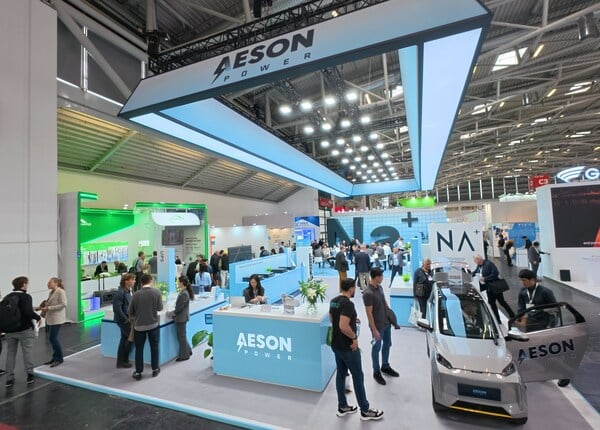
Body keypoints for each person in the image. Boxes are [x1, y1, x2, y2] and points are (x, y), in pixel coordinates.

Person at [330, 278, 384, 421]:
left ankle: (342, 406)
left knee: (341, 374)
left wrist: (353, 320)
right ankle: (365, 410)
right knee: (358, 376)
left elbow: (333, 320)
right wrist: (354, 337)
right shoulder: (348, 304)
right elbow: (343, 325)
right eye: (354, 288)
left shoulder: (334, 301)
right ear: (351, 288)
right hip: (348, 347)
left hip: (336, 344)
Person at [516, 269, 568, 387]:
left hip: (544, 324)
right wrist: (520, 320)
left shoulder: (545, 292)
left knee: (549, 351)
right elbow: (521, 308)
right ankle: (546, 371)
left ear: (532, 280)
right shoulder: (523, 292)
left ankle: (564, 375)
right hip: (531, 325)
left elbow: (554, 310)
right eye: (521, 280)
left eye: (524, 280)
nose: (523, 282)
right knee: (535, 351)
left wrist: (550, 327)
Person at [363, 267, 399, 386]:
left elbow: (384, 303)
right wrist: (374, 330)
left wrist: (391, 317)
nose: (383, 278)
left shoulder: (380, 287)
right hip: (377, 326)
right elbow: (369, 313)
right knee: (376, 347)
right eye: (381, 276)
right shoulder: (368, 293)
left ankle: (385, 366)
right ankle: (376, 371)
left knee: (387, 344)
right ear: (376, 277)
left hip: (386, 323)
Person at [4, 276, 41, 387]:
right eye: (27, 283)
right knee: (27, 352)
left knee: (10, 353)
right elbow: (27, 312)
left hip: (10, 330)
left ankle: (9, 378)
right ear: (24, 284)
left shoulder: (8, 297)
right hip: (24, 330)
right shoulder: (26, 297)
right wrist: (38, 317)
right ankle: (30, 375)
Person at [128, 274, 163, 380]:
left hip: (139, 327)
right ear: (151, 281)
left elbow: (130, 311)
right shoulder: (157, 292)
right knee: (154, 347)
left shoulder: (136, 295)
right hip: (153, 325)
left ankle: (138, 372)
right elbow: (160, 308)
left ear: (141, 282)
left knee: (139, 349)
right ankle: (155, 369)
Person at [472, 255, 515, 322]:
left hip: (495, 287)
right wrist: (469, 274)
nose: (475, 262)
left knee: (501, 302)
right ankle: (497, 319)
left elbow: (495, 273)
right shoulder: (479, 266)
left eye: (475, 261)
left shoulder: (489, 264)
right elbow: (475, 272)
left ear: (479, 259)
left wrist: (485, 278)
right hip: (489, 287)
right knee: (492, 303)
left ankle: (512, 315)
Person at [39, 277, 67, 367]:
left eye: (50, 282)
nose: (48, 284)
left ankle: (59, 358)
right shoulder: (51, 292)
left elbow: (64, 304)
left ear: (56, 283)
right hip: (51, 318)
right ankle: (55, 357)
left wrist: (49, 308)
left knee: (53, 338)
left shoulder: (60, 292)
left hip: (57, 319)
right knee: (52, 338)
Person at [167, 276, 194, 361]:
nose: (177, 283)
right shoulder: (184, 292)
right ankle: (188, 350)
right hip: (182, 317)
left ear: (182, 283)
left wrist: (169, 314)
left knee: (181, 337)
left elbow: (178, 308)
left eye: (178, 282)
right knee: (182, 336)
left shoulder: (184, 294)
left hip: (181, 318)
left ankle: (184, 356)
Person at [112, 273, 135, 368]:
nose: (134, 281)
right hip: (123, 321)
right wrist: (126, 320)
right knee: (130, 338)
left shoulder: (127, 291)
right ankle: (123, 360)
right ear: (126, 281)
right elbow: (117, 309)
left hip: (126, 320)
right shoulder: (120, 293)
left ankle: (121, 361)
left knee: (124, 339)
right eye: (132, 280)